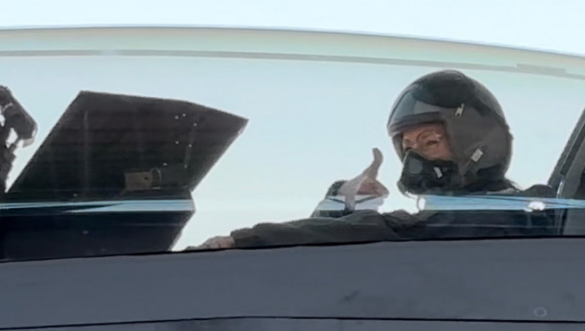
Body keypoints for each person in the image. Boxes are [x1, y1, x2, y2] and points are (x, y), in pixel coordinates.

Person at [190, 70, 557, 251]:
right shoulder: (462, 220)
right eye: (407, 146)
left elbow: (389, 232)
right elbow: (327, 263)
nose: (415, 158)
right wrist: (342, 203)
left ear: (478, 141)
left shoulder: (505, 215)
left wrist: (245, 240)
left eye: (430, 141)